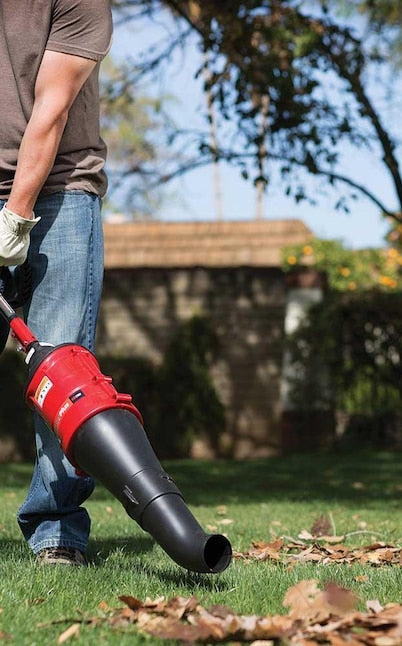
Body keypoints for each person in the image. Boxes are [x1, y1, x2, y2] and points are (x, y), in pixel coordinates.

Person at [0, 0, 113, 565]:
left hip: (61, 191)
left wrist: (15, 219)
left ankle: (57, 532)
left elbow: (53, 104)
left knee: (63, 373)